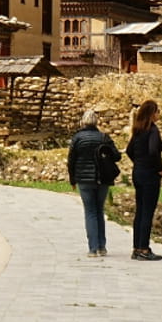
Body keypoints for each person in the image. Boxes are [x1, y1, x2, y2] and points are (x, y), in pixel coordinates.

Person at [66, 108, 120, 257]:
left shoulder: (77, 138)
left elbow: (71, 160)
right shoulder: (104, 137)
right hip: (102, 178)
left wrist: (72, 179)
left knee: (90, 211)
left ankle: (92, 248)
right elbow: (117, 156)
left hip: (84, 179)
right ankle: (102, 246)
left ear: (83, 122)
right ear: (97, 122)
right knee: (99, 210)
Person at [127, 99, 162, 260]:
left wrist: (139, 163)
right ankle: (144, 249)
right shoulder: (152, 130)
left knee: (140, 210)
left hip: (138, 173)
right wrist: (159, 168)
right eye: (157, 111)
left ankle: (136, 247)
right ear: (152, 113)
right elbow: (153, 151)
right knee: (147, 212)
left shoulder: (137, 130)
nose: (159, 114)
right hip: (150, 175)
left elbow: (129, 150)